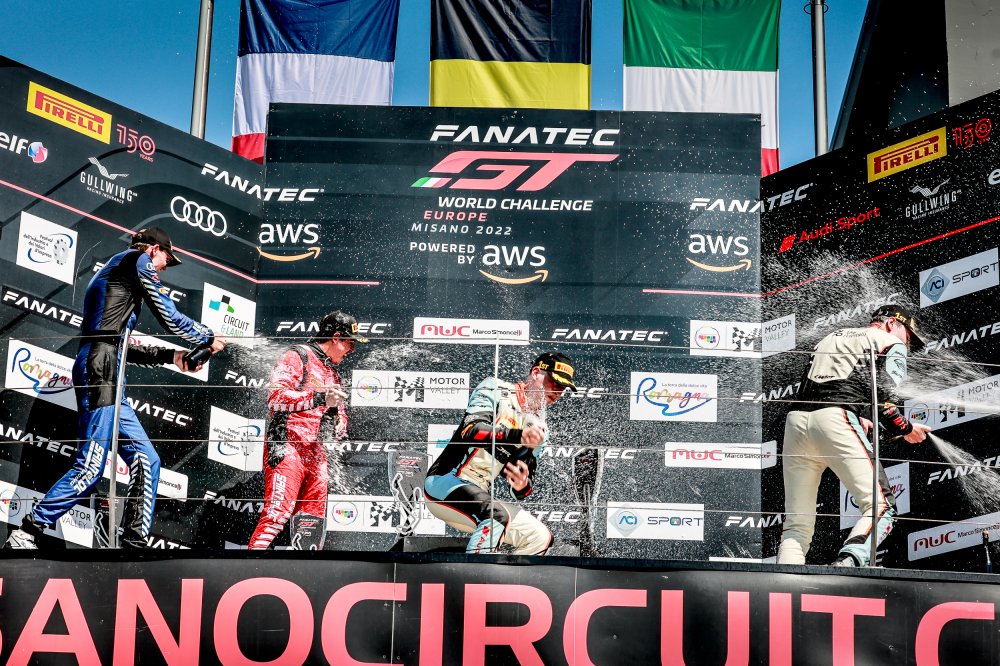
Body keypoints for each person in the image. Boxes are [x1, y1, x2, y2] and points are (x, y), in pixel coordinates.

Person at [5, 227, 225, 550]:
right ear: (153, 249)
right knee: (90, 468)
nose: (166, 267)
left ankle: (134, 540)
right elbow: (169, 317)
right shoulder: (137, 260)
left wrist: (172, 357)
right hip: (101, 369)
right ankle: (27, 531)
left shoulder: (118, 274)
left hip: (107, 367)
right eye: (167, 258)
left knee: (147, 459)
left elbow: (118, 345)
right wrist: (206, 336)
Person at [777, 304, 932, 567]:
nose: (907, 344)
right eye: (907, 336)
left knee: (796, 524)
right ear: (892, 324)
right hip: (835, 420)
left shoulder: (831, 337)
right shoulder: (889, 343)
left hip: (796, 424)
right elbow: (886, 402)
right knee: (881, 507)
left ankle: (784, 579)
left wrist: (858, 414)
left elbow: (832, 384)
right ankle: (848, 564)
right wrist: (906, 429)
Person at [424, 352, 577, 555]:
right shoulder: (495, 388)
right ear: (535, 373)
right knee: (496, 516)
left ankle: (504, 576)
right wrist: (518, 435)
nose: (557, 392)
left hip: (479, 496)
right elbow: (470, 430)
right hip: (444, 483)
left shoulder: (540, 429)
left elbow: (520, 491)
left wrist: (521, 483)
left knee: (541, 538)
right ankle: (476, 573)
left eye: (563, 388)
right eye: (554, 382)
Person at [248, 310, 367, 550]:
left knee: (311, 524)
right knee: (277, 514)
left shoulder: (333, 374)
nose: (352, 350)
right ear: (336, 338)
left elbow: (340, 423)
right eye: (350, 343)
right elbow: (275, 398)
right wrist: (320, 398)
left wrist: (336, 417)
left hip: (316, 453)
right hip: (287, 445)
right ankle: (250, 566)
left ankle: (305, 571)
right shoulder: (298, 355)